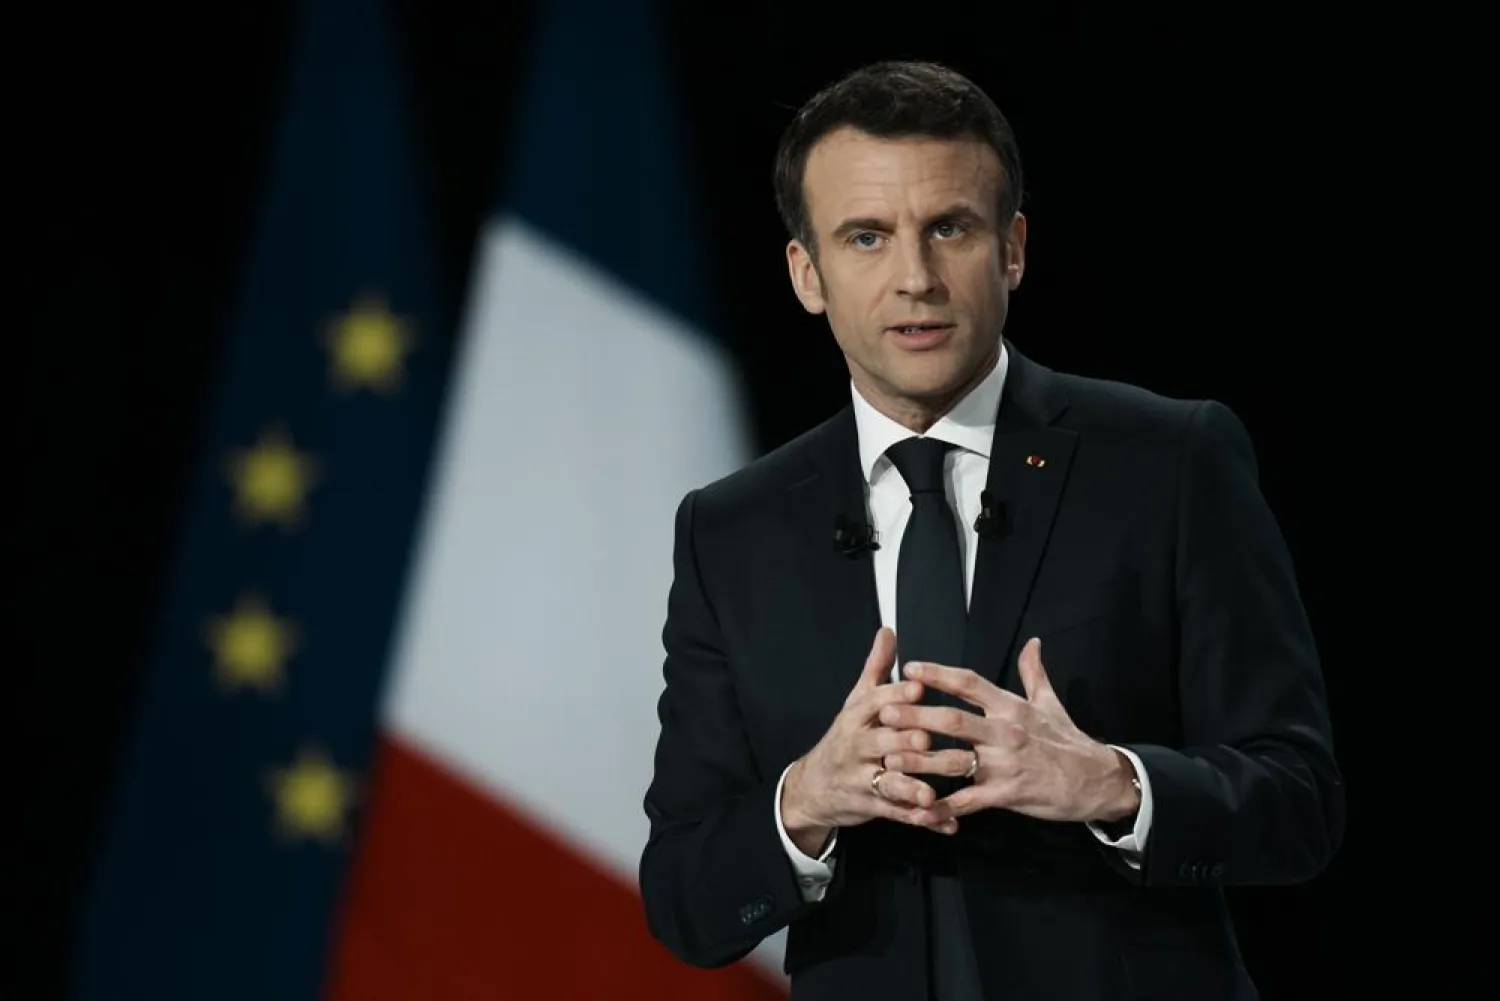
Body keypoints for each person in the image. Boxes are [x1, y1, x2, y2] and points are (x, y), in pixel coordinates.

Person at [638, 60, 1343, 1001]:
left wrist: (1112, 783)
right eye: (866, 237)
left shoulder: (1171, 462)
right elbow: (685, 899)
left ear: (1011, 249)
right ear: (808, 273)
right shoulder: (730, 531)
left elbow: (1298, 803)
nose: (915, 278)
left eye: (950, 228)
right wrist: (806, 799)